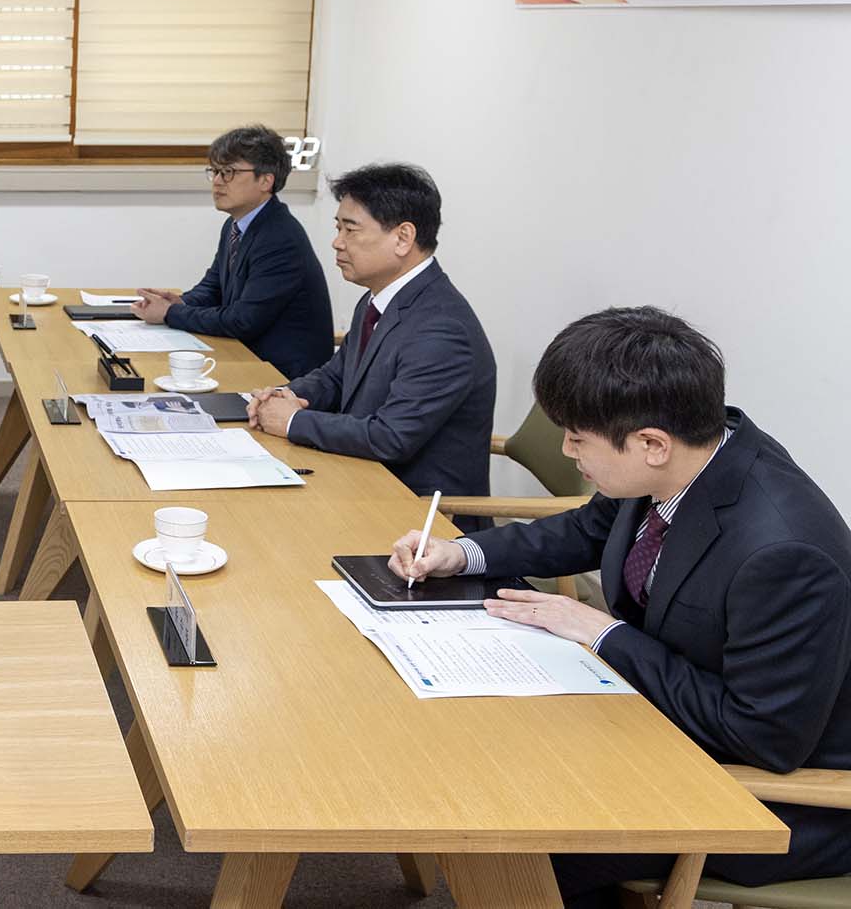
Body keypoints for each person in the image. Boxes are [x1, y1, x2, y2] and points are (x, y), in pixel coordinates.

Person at [389, 307, 851, 906]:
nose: (566, 450)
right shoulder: (690, 460)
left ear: (652, 444)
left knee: (514, 831)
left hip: (780, 796)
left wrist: (602, 633)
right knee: (482, 757)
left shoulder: (782, 553)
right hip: (659, 724)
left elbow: (761, 736)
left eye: (577, 439)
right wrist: (461, 553)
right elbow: (588, 528)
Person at [247, 163, 495, 524]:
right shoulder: (380, 298)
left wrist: (294, 421)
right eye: (337, 227)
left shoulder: (442, 329)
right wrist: (284, 395)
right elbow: (335, 376)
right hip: (362, 481)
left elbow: (392, 437)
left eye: (350, 229)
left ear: (403, 238)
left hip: (421, 518)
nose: (337, 242)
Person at [129, 125, 334, 378]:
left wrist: (170, 313)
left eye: (229, 172)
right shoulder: (236, 224)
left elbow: (242, 321)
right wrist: (178, 302)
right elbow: (213, 288)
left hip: (283, 376)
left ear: (266, 180)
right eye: (215, 171)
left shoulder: (280, 238)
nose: (217, 181)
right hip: (247, 357)